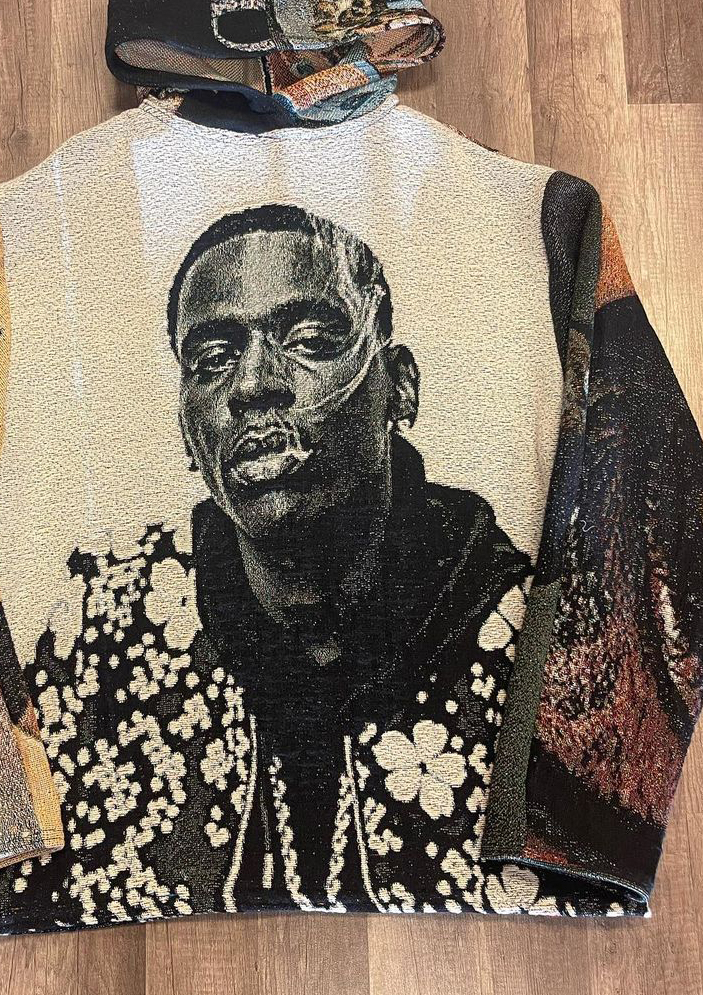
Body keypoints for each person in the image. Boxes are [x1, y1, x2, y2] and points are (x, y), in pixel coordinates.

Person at [167, 202, 535, 901]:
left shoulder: (527, 629)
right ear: (189, 435)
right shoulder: (108, 634)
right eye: (213, 360)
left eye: (308, 340)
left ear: (400, 386)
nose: (252, 384)